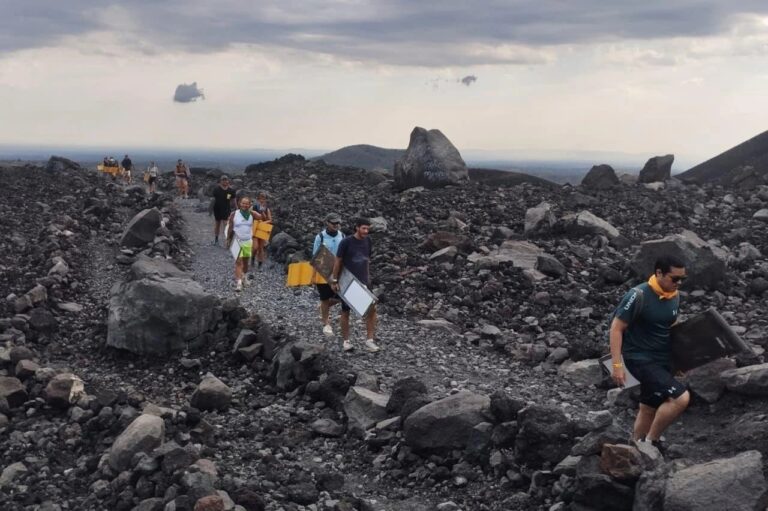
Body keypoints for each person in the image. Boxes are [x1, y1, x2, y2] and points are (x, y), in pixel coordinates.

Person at [609, 255, 690, 451]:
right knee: (681, 398)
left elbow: (670, 329)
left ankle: (634, 450)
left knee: (648, 407)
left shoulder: (674, 296)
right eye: (674, 279)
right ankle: (650, 443)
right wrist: (617, 365)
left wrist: (677, 361)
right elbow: (616, 329)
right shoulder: (638, 295)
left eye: (682, 279)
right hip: (638, 358)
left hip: (661, 358)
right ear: (659, 273)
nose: (678, 283)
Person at [331, 217, 380, 353]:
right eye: (363, 228)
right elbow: (338, 261)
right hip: (349, 281)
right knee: (346, 311)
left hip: (363, 281)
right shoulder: (346, 242)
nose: (366, 231)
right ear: (357, 227)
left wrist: (368, 278)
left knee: (371, 309)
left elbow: (367, 260)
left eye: (368, 229)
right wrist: (335, 281)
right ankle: (346, 341)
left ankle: (369, 340)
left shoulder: (368, 241)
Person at [312, 212, 344, 338]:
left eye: (338, 223)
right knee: (325, 297)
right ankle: (326, 323)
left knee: (340, 297)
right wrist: (313, 276)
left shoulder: (342, 235)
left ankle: (322, 307)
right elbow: (315, 257)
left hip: (339, 271)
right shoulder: (320, 237)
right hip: (324, 270)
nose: (336, 225)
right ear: (327, 223)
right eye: (334, 223)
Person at [227, 196, 254, 292]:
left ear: (250, 204)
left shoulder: (251, 214)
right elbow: (230, 227)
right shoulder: (234, 214)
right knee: (238, 262)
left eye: (247, 203)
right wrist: (228, 239)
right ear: (239, 203)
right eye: (243, 203)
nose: (244, 205)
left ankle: (244, 277)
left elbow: (262, 217)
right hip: (236, 240)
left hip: (247, 240)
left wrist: (252, 210)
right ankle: (238, 283)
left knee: (246, 263)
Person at [211, 175, 237, 246]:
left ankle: (227, 240)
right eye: (223, 180)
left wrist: (236, 209)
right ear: (220, 181)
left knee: (226, 225)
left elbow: (233, 200)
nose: (225, 181)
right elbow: (213, 200)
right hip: (217, 209)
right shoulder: (216, 189)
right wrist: (210, 210)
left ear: (228, 181)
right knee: (217, 224)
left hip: (226, 209)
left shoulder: (231, 190)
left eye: (226, 180)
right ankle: (216, 240)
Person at [250, 190, 272, 270]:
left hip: (262, 228)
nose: (262, 200)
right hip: (255, 227)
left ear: (265, 200)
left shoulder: (266, 209)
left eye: (263, 199)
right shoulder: (254, 207)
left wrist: (263, 220)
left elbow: (270, 220)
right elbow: (249, 216)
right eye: (260, 198)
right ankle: (252, 257)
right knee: (255, 247)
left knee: (261, 247)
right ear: (257, 199)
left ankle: (260, 264)